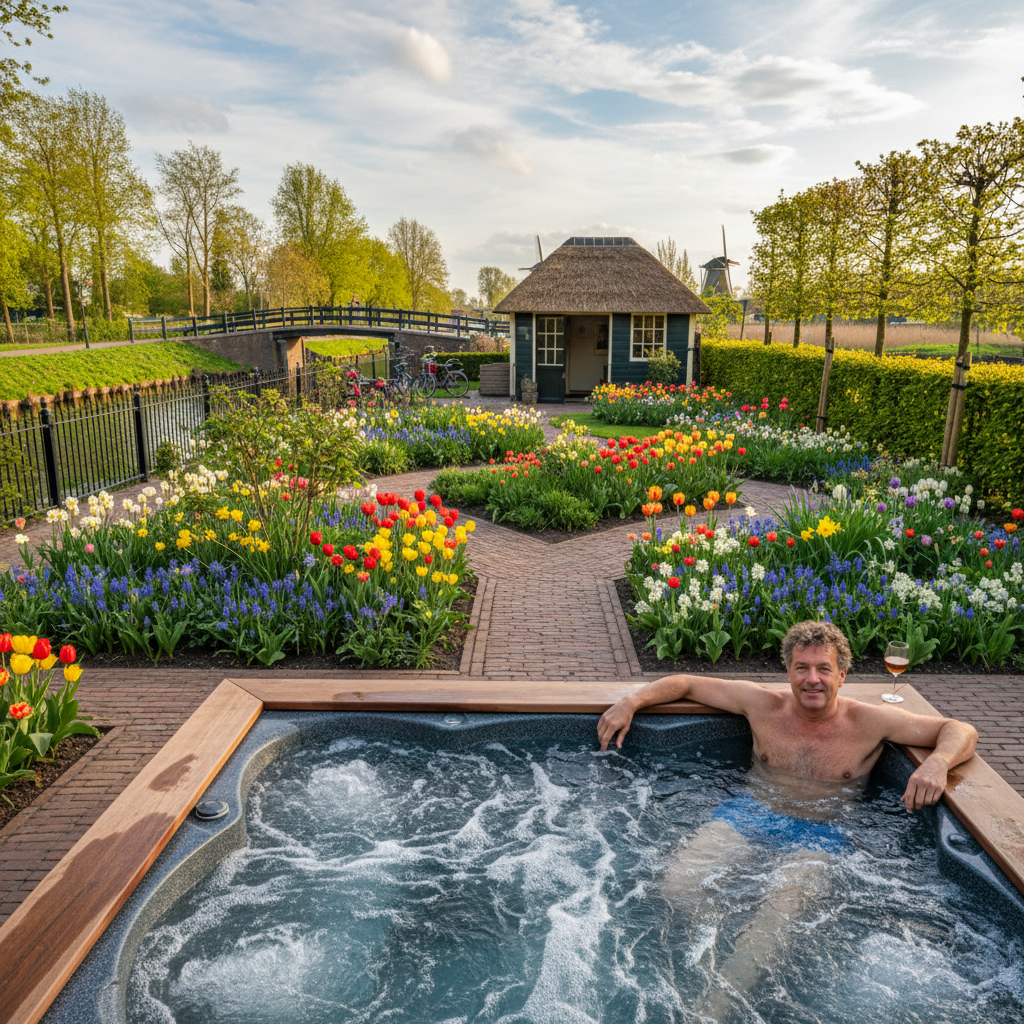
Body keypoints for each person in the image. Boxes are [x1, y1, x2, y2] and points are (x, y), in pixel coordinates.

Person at [596, 620, 978, 1020]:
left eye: (823, 668)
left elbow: (960, 730)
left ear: (842, 675)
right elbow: (686, 683)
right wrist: (630, 702)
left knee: (771, 922)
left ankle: (711, 1010)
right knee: (676, 884)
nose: (812, 679)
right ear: (789, 672)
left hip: (820, 835)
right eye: (802, 668)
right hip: (750, 815)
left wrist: (937, 763)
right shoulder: (762, 705)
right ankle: (718, 933)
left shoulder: (870, 722)